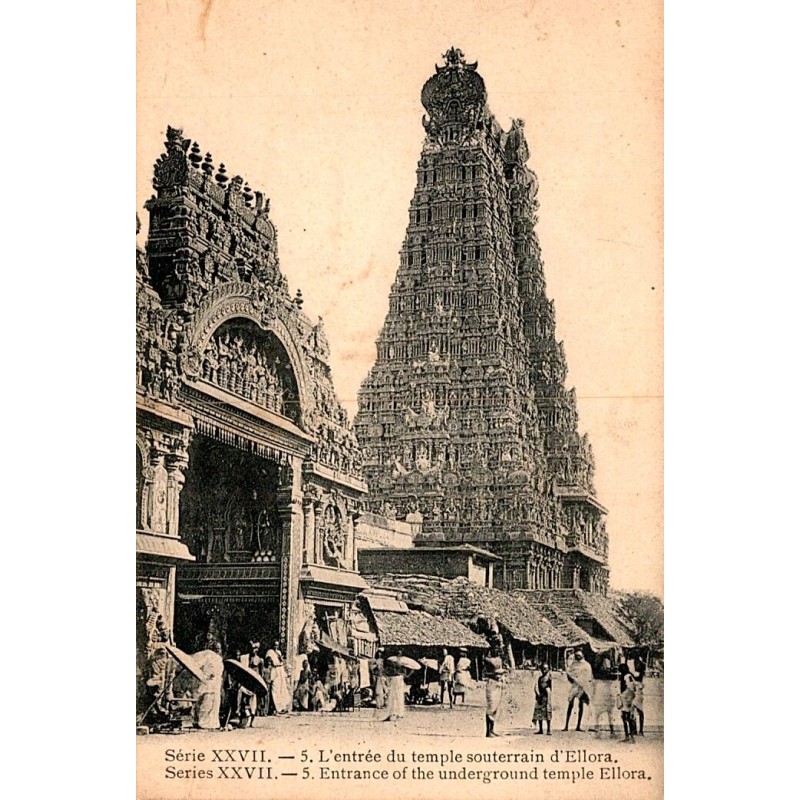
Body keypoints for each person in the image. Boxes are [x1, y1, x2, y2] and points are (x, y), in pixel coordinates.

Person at [563, 650, 593, 732]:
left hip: (582, 687)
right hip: (575, 686)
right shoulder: (574, 664)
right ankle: (566, 726)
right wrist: (573, 680)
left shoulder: (587, 665)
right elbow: (569, 673)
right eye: (576, 655)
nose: (577, 657)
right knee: (570, 704)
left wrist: (584, 685)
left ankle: (578, 726)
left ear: (583, 655)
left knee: (581, 705)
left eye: (579, 655)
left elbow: (588, 677)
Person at [483, 637, 506, 737]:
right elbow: (485, 673)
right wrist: (494, 674)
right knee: (491, 707)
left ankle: (492, 729)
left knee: (496, 707)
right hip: (492, 683)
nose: (497, 650)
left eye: (498, 648)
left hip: (498, 684)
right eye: (495, 648)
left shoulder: (499, 660)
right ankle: (488, 731)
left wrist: (501, 676)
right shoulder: (487, 660)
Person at [592, 653, 618, 738]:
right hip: (606, 691)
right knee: (609, 713)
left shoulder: (598, 671)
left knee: (599, 713)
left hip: (602, 691)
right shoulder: (607, 664)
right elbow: (613, 677)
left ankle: (598, 730)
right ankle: (611, 730)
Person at [265, 641, 291, 715]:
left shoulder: (279, 652)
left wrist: (280, 657)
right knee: (275, 689)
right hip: (275, 669)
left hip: (281, 670)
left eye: (277, 645)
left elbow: (282, 661)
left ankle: (282, 707)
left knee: (282, 688)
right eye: (274, 645)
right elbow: (268, 660)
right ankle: (277, 708)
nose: (276, 646)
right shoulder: (270, 652)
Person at [380, 655, 408, 721]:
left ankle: (397, 714)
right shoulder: (397, 667)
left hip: (397, 680)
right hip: (396, 680)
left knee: (396, 697)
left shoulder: (400, 667)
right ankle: (394, 714)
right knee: (394, 697)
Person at [618, 663, 638, 742]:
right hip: (627, 698)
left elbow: (630, 687)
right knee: (628, 717)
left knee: (626, 718)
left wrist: (626, 698)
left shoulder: (626, 676)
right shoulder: (629, 675)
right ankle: (630, 736)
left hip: (627, 698)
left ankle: (630, 737)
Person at [532, 663, 552, 735]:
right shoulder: (540, 678)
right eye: (543, 669)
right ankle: (540, 729)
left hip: (546, 697)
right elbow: (537, 687)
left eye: (546, 669)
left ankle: (549, 729)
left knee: (547, 712)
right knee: (539, 713)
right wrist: (538, 695)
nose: (544, 670)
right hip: (540, 696)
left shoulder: (548, 678)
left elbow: (548, 688)